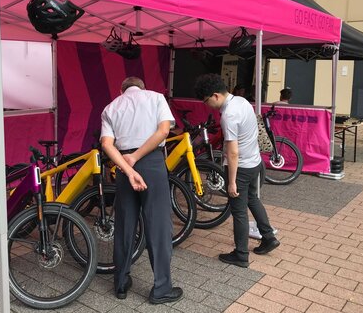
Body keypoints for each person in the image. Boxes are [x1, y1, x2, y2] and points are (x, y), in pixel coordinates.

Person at [100, 76, 183, 304]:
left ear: (121, 90)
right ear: (143, 87)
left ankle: (120, 283)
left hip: (123, 165)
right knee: (158, 226)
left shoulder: (110, 107)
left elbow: (107, 144)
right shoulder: (156, 98)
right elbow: (164, 131)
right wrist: (136, 157)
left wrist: (127, 166)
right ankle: (161, 288)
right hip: (152, 163)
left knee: (125, 224)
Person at [194, 73, 279, 268]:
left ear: (215, 96)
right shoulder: (241, 101)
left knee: (239, 211)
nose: (207, 105)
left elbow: (232, 152)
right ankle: (268, 237)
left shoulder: (229, 115)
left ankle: (241, 254)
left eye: (207, 101)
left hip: (240, 167)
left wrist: (231, 182)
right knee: (253, 200)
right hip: (254, 162)